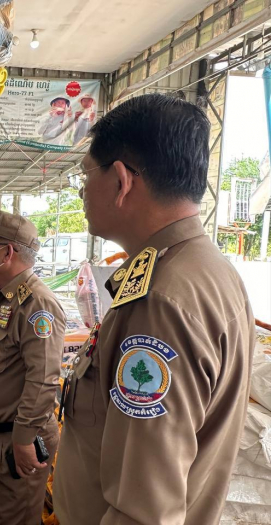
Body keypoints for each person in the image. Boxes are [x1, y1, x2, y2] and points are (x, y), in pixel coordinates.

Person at [52, 94, 255, 524]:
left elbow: (143, 512)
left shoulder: (161, 302)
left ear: (121, 180)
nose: (83, 190)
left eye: (86, 174)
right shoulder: (208, 272)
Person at [0, 211, 64, 525]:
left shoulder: (37, 304)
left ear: (7, 252)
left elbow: (44, 379)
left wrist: (24, 439)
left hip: (15, 443)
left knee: (12, 519)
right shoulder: (3, 297)